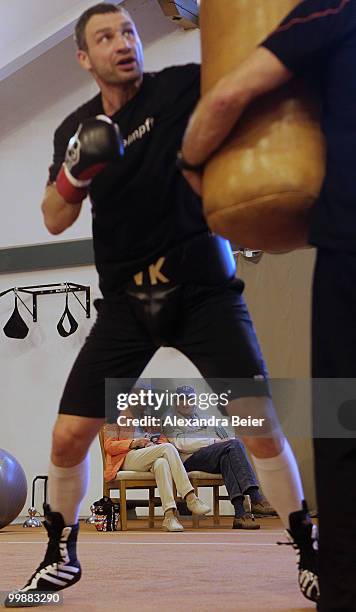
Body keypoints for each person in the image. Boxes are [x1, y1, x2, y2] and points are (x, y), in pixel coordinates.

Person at [5, 3, 317, 607]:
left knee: (259, 428)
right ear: (83, 57)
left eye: (127, 31)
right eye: (105, 37)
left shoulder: (178, 86)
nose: (124, 44)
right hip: (125, 301)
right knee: (68, 438)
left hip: (203, 289)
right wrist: (75, 172)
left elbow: (238, 106)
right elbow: (52, 216)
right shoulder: (74, 125)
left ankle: (309, 551)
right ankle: (57, 558)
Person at [181, 1, 356, 610]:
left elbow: (229, 97)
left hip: (344, 247)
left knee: (341, 435)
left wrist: (191, 165)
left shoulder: (332, 9)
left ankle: (331, 572)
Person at [163, 385, 276, 529]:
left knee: (228, 457)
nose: (186, 403)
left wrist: (220, 441)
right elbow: (182, 443)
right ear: (175, 402)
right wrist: (213, 441)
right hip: (189, 460)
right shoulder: (169, 419)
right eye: (182, 399)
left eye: (190, 399)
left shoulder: (206, 418)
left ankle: (240, 515)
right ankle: (255, 498)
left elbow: (227, 437)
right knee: (233, 446)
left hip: (212, 456)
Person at [103, 392, 210, 532]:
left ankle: (169, 516)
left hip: (148, 456)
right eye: (141, 397)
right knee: (167, 448)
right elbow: (109, 445)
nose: (144, 401)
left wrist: (153, 444)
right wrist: (134, 442)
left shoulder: (150, 418)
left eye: (147, 398)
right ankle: (190, 497)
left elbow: (162, 439)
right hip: (126, 458)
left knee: (162, 463)